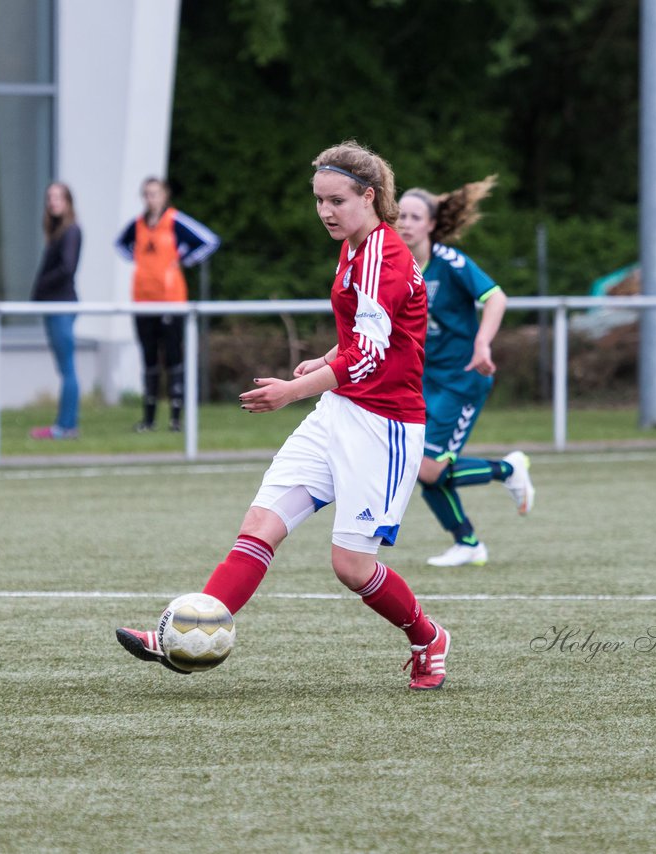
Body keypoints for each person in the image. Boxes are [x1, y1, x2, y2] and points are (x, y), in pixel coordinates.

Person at [117, 141, 451, 690]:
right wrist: (323, 360)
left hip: (383, 428)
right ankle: (184, 631)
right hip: (338, 411)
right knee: (259, 527)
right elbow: (370, 337)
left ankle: (426, 636)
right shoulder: (354, 244)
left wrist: (292, 390)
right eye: (318, 200)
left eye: (336, 200)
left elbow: (369, 356)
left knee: (351, 568)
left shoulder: (384, 257)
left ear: (369, 196)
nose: (325, 212)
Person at [396, 177, 536, 568]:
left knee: (427, 469)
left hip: (462, 379)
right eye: (400, 215)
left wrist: (482, 344)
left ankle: (508, 469)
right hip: (423, 381)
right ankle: (468, 542)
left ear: (431, 224)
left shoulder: (450, 262)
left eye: (414, 216)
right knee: (417, 467)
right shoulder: (395, 266)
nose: (405, 223)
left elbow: (495, 297)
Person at [114, 177, 220, 432]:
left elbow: (209, 241)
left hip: (170, 301)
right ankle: (148, 419)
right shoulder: (138, 225)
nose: (151, 199)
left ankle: (175, 419)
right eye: (147, 194)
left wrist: (183, 259)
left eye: (156, 194)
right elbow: (121, 245)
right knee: (149, 360)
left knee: (173, 359)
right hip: (142, 300)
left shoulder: (174, 221)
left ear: (165, 195)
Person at [29, 182, 83, 440]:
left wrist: (41, 286)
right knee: (64, 368)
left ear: (68, 201)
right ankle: (63, 424)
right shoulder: (56, 233)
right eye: (49, 197)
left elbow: (67, 269)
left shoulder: (71, 232)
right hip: (53, 305)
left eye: (58, 197)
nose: (53, 202)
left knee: (68, 367)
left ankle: (66, 426)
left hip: (62, 305)